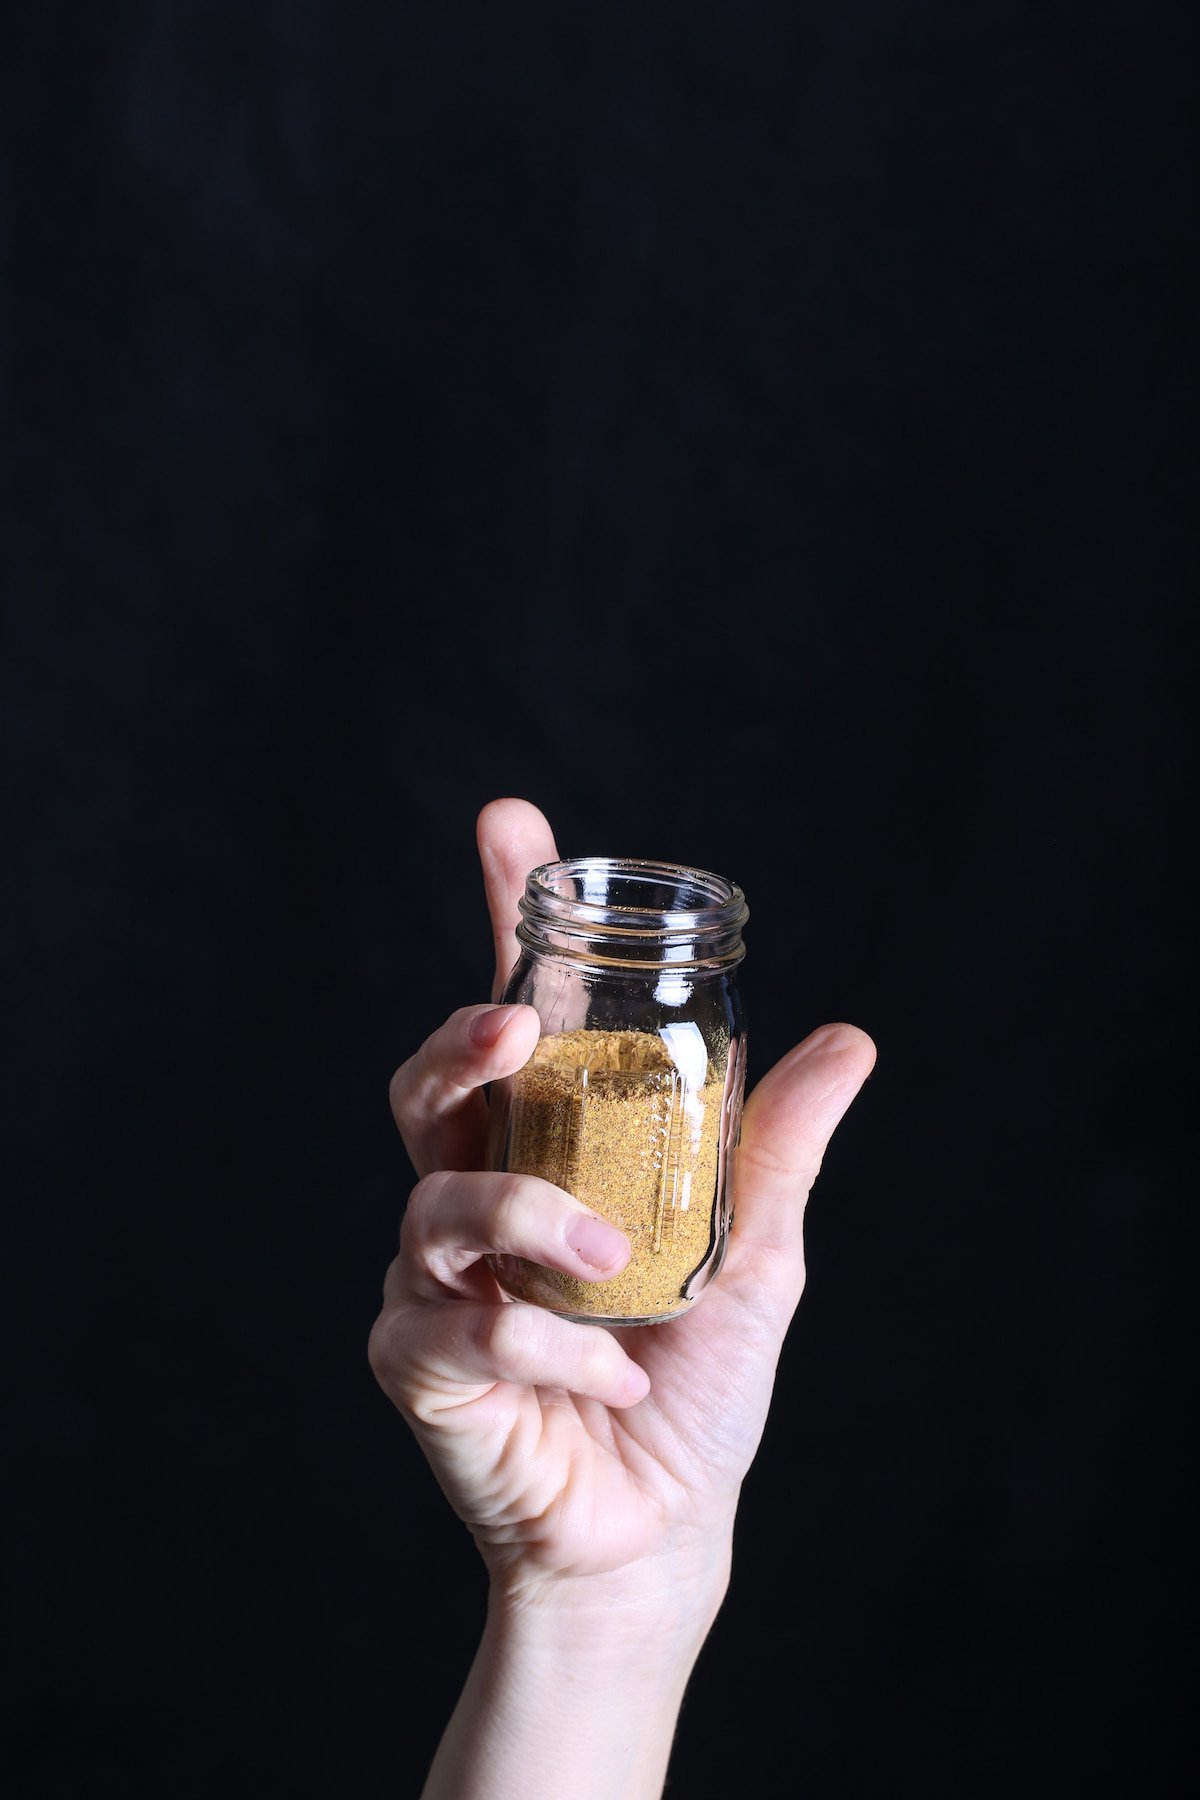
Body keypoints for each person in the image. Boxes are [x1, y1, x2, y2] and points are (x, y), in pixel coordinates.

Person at [368, 797, 877, 1798]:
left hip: (653, 1352)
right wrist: (583, 1604)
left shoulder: (700, 1015)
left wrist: (617, 1598)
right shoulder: (544, 1011)